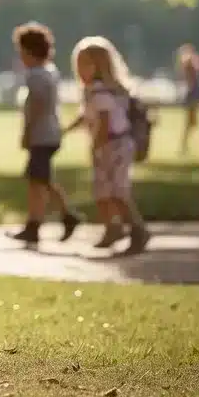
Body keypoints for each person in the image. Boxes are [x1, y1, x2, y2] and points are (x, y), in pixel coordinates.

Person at [68, 36, 150, 254]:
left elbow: (104, 121)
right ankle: (112, 227)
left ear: (99, 66)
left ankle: (137, 228)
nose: (80, 69)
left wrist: (96, 146)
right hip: (108, 145)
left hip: (114, 145)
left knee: (117, 192)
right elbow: (87, 116)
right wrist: (69, 129)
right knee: (102, 192)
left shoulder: (100, 91)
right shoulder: (93, 92)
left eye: (85, 64)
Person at [9, 23, 81, 245]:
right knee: (41, 179)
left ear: (29, 52)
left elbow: (37, 106)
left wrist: (27, 132)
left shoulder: (36, 76)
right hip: (50, 133)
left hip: (42, 135)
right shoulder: (49, 72)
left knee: (37, 181)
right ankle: (66, 216)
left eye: (21, 51)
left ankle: (35, 224)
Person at [178, 44, 199, 156]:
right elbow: (193, 78)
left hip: (193, 93)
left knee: (192, 123)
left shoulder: (189, 62)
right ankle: (184, 147)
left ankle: (184, 146)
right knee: (190, 123)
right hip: (193, 94)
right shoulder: (189, 63)